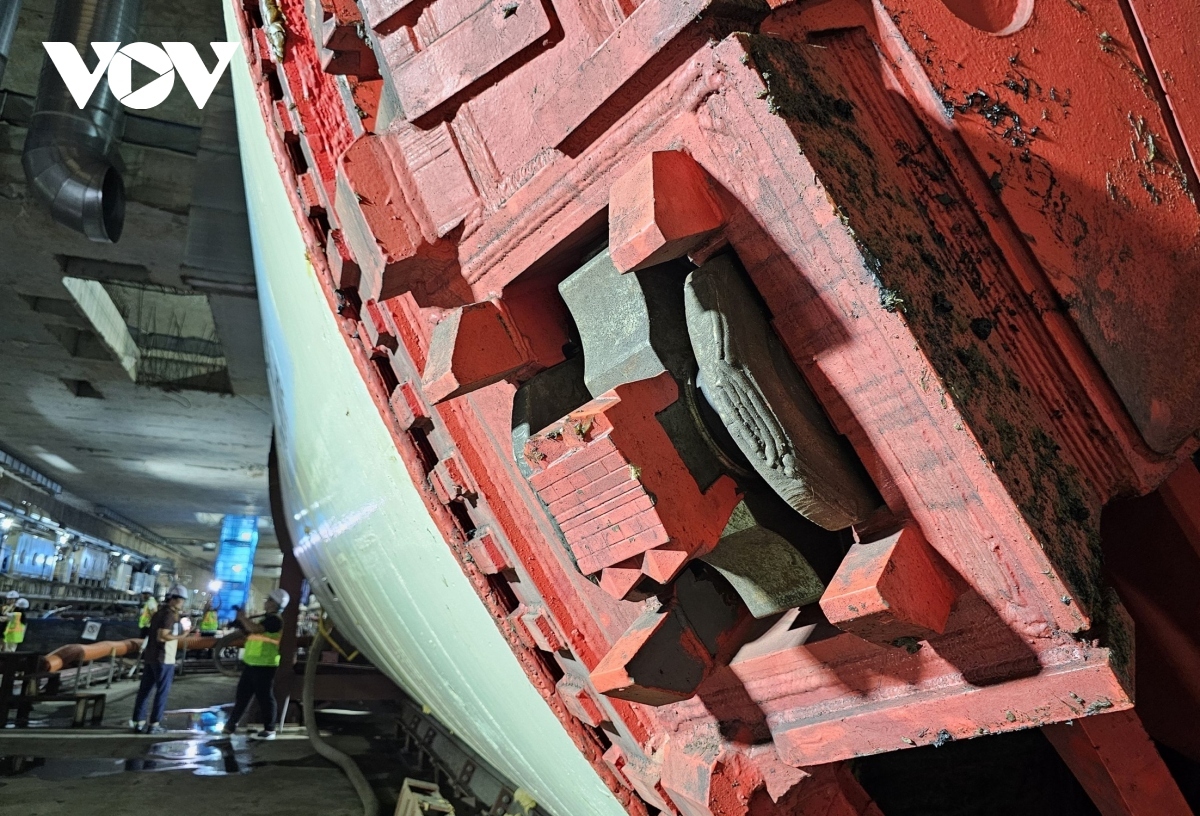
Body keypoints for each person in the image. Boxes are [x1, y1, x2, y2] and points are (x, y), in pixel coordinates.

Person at [222, 588, 289, 740]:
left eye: (269, 600)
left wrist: (243, 618)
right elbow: (250, 632)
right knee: (242, 696)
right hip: (251, 663)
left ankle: (270, 729)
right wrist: (239, 622)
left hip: (265, 666)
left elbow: (255, 629)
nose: (266, 602)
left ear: (276, 604)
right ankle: (230, 726)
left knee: (265, 697)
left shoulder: (275, 620)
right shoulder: (265, 619)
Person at [129, 584, 191, 734]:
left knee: (144, 691)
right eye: (181, 600)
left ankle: (139, 722)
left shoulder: (159, 613)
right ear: (174, 600)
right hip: (164, 658)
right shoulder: (168, 615)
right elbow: (162, 636)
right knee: (161, 692)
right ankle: (154, 724)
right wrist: (181, 636)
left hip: (151, 656)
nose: (182, 603)